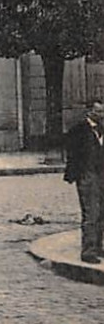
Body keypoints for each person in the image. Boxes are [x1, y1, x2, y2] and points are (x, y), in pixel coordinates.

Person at [64, 100, 104, 264]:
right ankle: (88, 251)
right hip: (87, 175)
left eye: (103, 112)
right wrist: (79, 175)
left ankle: (98, 245)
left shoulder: (101, 129)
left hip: (101, 175)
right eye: (99, 112)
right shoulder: (78, 131)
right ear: (89, 112)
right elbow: (73, 155)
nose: (102, 115)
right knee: (91, 213)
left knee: (102, 212)